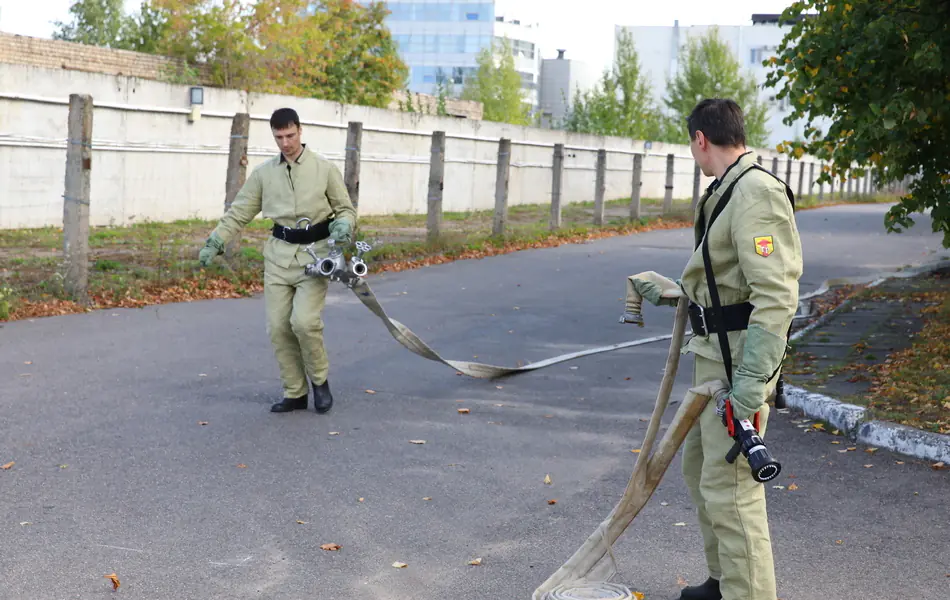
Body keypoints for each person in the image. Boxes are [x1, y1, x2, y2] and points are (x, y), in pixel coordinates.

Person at [627, 99, 802, 600]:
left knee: (732, 489)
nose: (693, 152)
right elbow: (726, 280)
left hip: (739, 363)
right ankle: (725, 582)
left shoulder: (755, 194)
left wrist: (749, 388)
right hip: (714, 355)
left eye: (691, 144)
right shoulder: (729, 189)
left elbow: (775, 296)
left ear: (701, 138)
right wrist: (671, 289)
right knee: (703, 470)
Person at [198, 107, 357, 415]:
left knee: (304, 322)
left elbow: (346, 209)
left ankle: (320, 383)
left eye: (290, 135)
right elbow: (239, 211)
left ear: (301, 130)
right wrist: (215, 240)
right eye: (279, 137)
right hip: (278, 257)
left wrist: (343, 226)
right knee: (278, 327)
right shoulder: (263, 174)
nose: (285, 143)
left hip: (316, 255)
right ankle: (295, 392)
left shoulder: (324, 169)